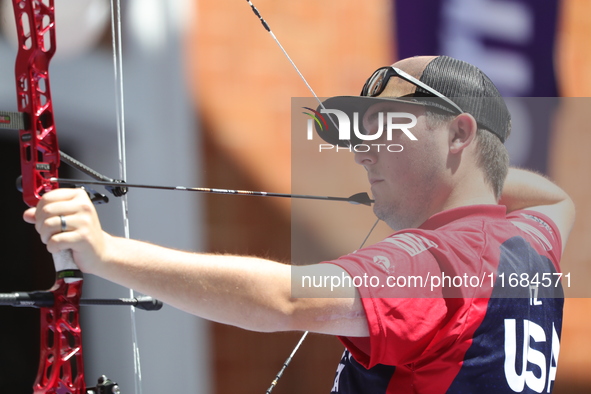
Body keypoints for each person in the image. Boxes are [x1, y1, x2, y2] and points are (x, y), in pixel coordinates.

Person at [24, 55, 575, 393]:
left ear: (457, 134)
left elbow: (287, 300)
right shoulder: (532, 243)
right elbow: (556, 198)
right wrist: (468, 181)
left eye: (388, 127)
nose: (364, 154)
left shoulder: (435, 264)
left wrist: (106, 253)